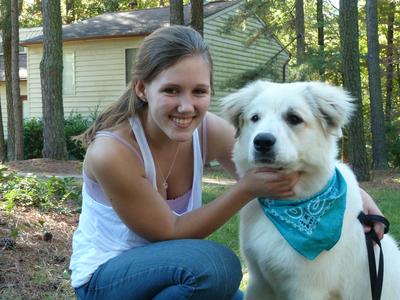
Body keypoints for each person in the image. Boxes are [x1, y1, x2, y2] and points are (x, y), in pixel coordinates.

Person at [70, 25, 384, 300]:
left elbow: (277, 154)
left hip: (171, 274)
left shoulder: (206, 128)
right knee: (216, 266)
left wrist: (358, 198)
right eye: (171, 90)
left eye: (199, 92)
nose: (186, 106)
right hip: (106, 280)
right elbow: (169, 231)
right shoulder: (112, 152)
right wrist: (245, 189)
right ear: (142, 89)